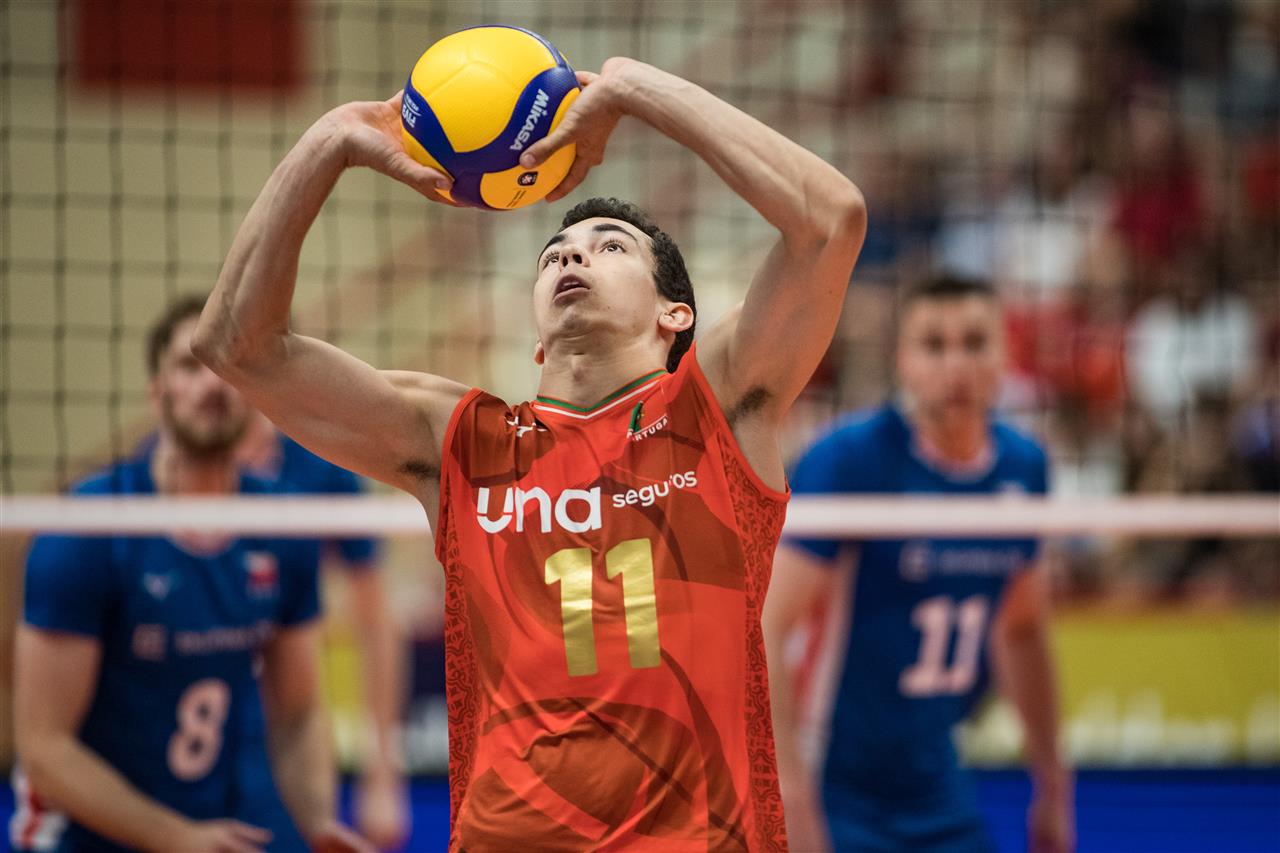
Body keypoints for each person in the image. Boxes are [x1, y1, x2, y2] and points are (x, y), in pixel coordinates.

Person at [194, 56, 866, 850]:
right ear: (538, 341)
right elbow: (237, 345)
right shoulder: (459, 441)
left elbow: (832, 218)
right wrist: (333, 138)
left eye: (609, 246)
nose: (571, 257)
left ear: (675, 314)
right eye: (553, 254)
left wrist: (626, 88)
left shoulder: (717, 410)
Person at [12, 298, 370, 853]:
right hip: (85, 836)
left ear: (256, 394)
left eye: (229, 367)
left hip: (215, 827)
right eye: (188, 366)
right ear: (157, 392)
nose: (212, 384)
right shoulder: (87, 528)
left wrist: (318, 823)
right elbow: (43, 748)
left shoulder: (284, 522)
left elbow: (298, 714)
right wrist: (176, 838)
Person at [764, 276, 1074, 853]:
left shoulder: (1023, 469)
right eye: (934, 345)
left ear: (1005, 356)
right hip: (835, 783)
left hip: (937, 781)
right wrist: (788, 794)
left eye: (975, 343)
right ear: (903, 362)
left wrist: (1054, 784)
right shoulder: (850, 459)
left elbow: (1026, 629)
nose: (956, 364)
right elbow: (767, 625)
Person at [236, 410, 410, 851]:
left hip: (292, 726)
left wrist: (384, 773)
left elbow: (377, 622)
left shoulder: (319, 466)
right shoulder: (159, 473)